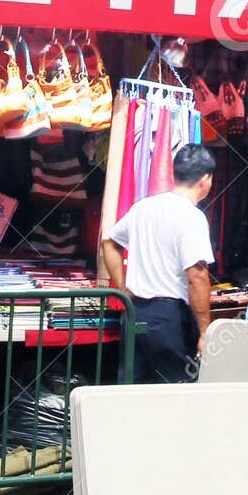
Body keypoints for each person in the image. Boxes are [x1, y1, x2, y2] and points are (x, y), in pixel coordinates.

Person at [100, 144, 216, 383]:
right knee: (174, 390)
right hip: (168, 319)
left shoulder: (143, 207)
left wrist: (123, 287)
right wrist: (205, 331)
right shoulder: (193, 217)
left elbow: (108, 243)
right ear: (205, 179)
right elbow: (197, 276)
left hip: (135, 312)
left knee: (132, 389)